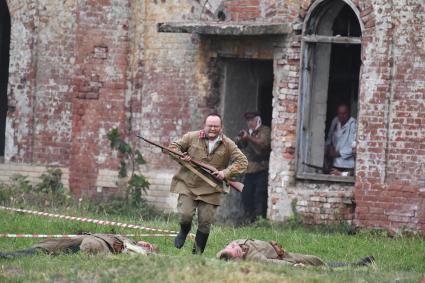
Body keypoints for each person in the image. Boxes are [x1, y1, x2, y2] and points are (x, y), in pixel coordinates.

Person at [169, 113, 248, 255]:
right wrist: (182, 155)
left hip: (212, 188)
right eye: (209, 125)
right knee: (185, 215)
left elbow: (242, 162)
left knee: (205, 222)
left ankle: (197, 255)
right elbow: (173, 148)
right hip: (188, 184)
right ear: (204, 126)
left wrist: (225, 173)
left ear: (221, 127)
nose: (212, 128)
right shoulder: (191, 137)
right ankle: (184, 231)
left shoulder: (228, 144)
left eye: (216, 126)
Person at [216, 239, 375, 268]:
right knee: (317, 263)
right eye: (237, 250)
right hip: (285, 259)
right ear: (240, 256)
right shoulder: (252, 258)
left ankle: (354, 264)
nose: (237, 246)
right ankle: (356, 266)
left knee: (315, 259)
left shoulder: (237, 244)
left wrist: (272, 246)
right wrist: (293, 266)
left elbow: (221, 255)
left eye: (234, 245)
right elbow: (271, 263)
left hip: (283, 253)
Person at [0, 233, 158, 259]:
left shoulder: (135, 249)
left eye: (148, 245)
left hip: (99, 245)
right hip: (88, 237)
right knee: (49, 245)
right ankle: (11, 254)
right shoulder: (127, 237)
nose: (146, 243)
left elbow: (151, 255)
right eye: (147, 243)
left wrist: (147, 251)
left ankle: (72, 254)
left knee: (83, 249)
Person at [235, 111, 271, 222]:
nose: (250, 123)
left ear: (258, 120)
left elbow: (263, 145)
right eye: (248, 121)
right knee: (246, 196)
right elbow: (242, 148)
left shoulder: (265, 130)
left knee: (259, 196)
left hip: (261, 169)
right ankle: (249, 218)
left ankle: (259, 219)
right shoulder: (249, 133)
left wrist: (249, 138)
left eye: (252, 120)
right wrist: (239, 141)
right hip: (249, 170)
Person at [325, 104, 357, 176]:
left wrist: (338, 153)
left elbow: (355, 147)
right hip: (335, 163)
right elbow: (329, 137)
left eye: (344, 113)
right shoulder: (335, 121)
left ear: (348, 113)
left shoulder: (354, 124)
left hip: (348, 165)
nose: (342, 116)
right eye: (340, 113)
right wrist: (329, 147)